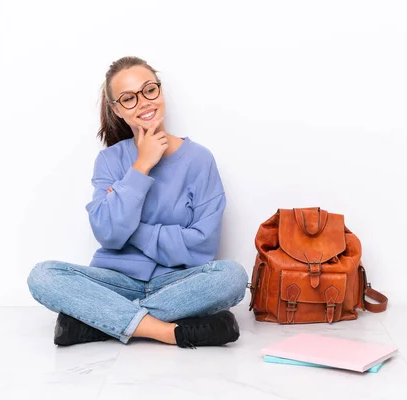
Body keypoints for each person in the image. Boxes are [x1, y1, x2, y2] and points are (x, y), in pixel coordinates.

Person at [27, 56, 248, 348]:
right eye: (128, 98)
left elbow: (202, 246)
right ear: (117, 110)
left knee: (232, 276)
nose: (143, 102)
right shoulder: (109, 160)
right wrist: (140, 167)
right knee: (43, 276)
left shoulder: (199, 159)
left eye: (149, 90)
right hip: (115, 282)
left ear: (160, 91)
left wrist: (132, 226)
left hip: (177, 283)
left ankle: (97, 323)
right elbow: (108, 234)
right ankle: (168, 331)